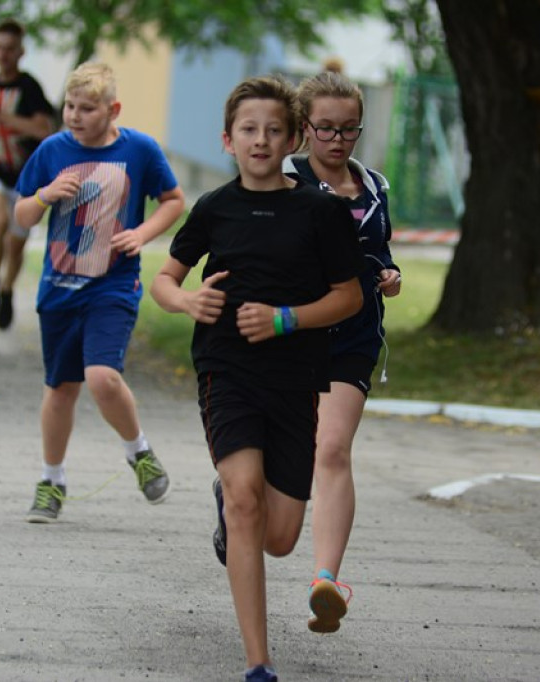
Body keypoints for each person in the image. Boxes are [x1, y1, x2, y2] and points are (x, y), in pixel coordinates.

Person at [150, 75, 363, 682]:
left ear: (293, 138)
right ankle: (258, 663)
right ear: (227, 140)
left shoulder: (321, 212)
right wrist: (186, 302)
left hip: (295, 378)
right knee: (247, 503)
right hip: (227, 369)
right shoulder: (214, 208)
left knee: (280, 538)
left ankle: (229, 501)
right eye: (249, 129)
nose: (261, 140)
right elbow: (164, 279)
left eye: (273, 130)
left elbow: (347, 298)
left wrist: (285, 318)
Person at [13, 62, 184, 522]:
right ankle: (52, 481)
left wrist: (142, 234)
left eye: (87, 108)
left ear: (114, 110)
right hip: (59, 288)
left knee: (102, 377)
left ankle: (138, 451)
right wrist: (45, 195)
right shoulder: (51, 151)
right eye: (70, 106)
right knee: (61, 388)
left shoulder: (140, 150)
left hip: (113, 283)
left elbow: (173, 201)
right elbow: (22, 216)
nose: (75, 115)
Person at [283, 70, 402, 635]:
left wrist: (389, 274)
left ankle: (324, 582)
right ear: (305, 127)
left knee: (331, 449)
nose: (337, 140)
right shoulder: (285, 179)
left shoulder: (375, 184)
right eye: (326, 128)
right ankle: (232, 497)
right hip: (292, 333)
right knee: (277, 459)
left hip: (354, 335)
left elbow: (379, 250)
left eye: (349, 129)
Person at [0, 19, 55, 329]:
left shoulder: (28, 87)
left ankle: (6, 291)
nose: (3, 54)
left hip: (24, 175)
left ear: (21, 52)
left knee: (16, 242)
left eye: (9, 49)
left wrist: (0, 115)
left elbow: (43, 129)